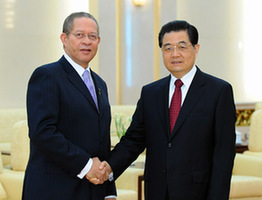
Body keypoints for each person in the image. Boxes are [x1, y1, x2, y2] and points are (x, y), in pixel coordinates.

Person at [94, 20, 236, 200]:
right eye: (168, 48)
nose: (175, 54)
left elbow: (223, 155)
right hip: (157, 191)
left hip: (197, 193)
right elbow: (134, 140)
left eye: (182, 46)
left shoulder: (218, 91)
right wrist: (108, 167)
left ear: (196, 48)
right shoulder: (151, 93)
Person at [22, 12, 116, 200]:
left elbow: (102, 140)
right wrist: (87, 165)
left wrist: (109, 190)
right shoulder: (47, 76)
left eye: (92, 36)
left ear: (98, 41)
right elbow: (43, 132)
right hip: (54, 189)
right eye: (79, 35)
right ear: (64, 39)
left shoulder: (100, 84)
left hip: (93, 190)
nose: (87, 41)